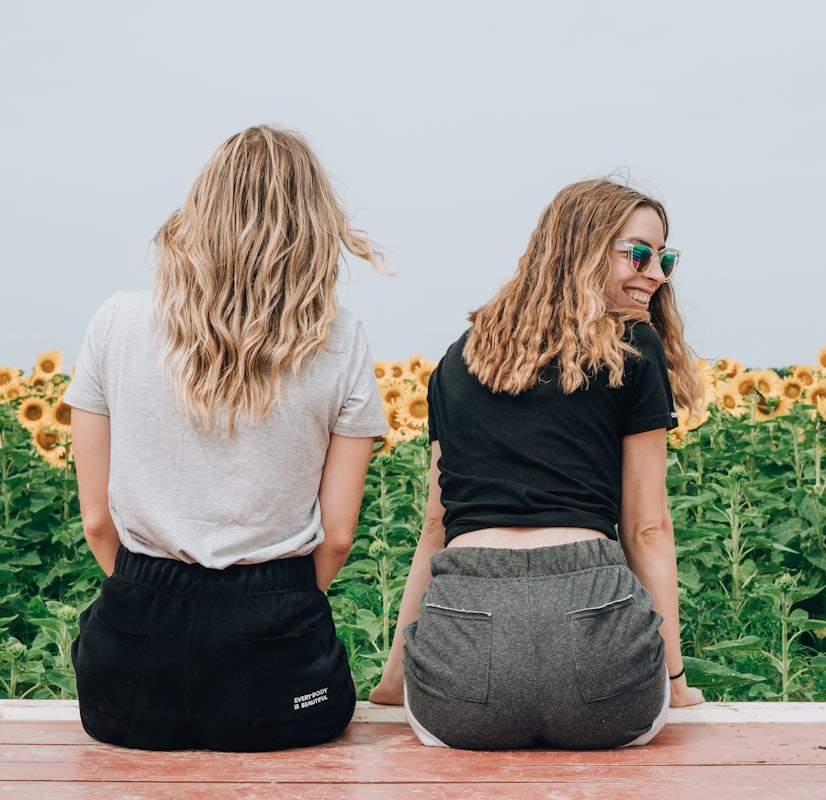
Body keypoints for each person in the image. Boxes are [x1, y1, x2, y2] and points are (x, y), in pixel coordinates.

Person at [64, 126, 390, 751]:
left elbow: (97, 521)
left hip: (129, 674)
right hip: (278, 662)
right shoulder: (341, 338)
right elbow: (339, 535)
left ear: (199, 210)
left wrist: (147, 592)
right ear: (314, 224)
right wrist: (275, 605)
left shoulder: (116, 322)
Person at [368, 178, 706, 749]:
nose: (657, 274)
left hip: (461, 689)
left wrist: (395, 678)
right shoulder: (635, 350)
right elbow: (647, 528)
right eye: (639, 254)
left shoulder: (458, 359)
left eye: (664, 258)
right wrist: (674, 679)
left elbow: (436, 527)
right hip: (602, 676)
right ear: (583, 246)